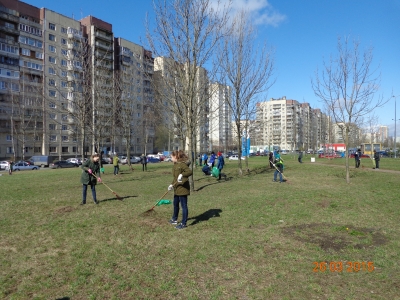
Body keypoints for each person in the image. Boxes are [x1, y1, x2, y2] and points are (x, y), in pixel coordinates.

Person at [168, 150, 193, 229]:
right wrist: (171, 185)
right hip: (177, 188)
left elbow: (189, 172)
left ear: (176, 157)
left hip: (183, 188)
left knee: (183, 206)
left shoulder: (182, 165)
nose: (171, 158)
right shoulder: (175, 165)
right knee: (175, 204)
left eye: (172, 157)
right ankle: (174, 219)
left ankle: (183, 223)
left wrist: (182, 175)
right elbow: (175, 178)